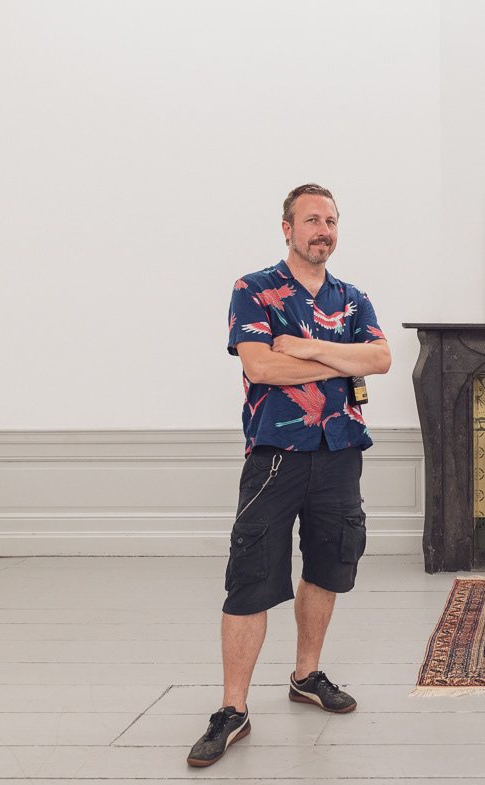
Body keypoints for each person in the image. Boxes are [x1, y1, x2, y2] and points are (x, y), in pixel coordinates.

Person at [187, 183, 391, 767]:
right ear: (288, 228)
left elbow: (380, 359)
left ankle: (306, 676)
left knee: (328, 566)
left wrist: (303, 346)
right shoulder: (253, 289)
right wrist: (338, 356)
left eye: (331, 221)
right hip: (275, 455)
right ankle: (233, 709)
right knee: (251, 576)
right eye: (312, 220)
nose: (323, 230)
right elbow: (260, 366)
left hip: (340, 453)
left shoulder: (353, 298)